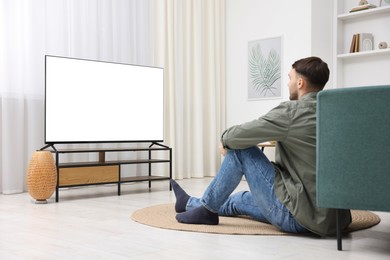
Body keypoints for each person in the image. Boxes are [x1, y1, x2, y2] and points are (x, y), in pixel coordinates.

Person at [170, 56, 352, 236]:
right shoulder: (336, 113)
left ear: (300, 83)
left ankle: (208, 210)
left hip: (297, 216)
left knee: (241, 150)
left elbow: (240, 135)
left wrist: (225, 139)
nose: (288, 83)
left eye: (290, 78)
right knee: (240, 200)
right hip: (334, 219)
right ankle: (188, 203)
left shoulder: (292, 112)